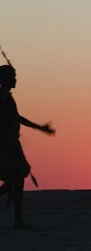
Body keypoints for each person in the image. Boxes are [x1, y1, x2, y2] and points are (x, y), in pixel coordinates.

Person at [0, 64, 55, 229]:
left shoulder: (7, 98)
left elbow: (18, 118)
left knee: (19, 177)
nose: (15, 80)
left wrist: (39, 127)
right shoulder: (3, 97)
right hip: (4, 146)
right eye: (12, 77)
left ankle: (18, 220)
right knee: (16, 177)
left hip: (11, 145)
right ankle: (18, 221)